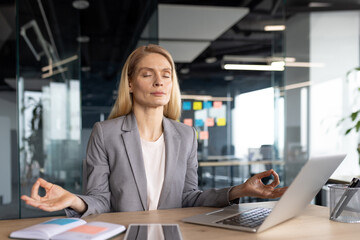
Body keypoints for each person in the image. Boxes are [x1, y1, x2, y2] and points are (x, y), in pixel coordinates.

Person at [21, 44, 287, 217]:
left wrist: (239, 190)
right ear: (131, 84)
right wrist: (73, 200)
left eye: (166, 74)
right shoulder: (105, 133)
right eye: (147, 74)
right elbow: (100, 201)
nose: (159, 81)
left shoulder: (185, 135)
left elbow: (189, 197)